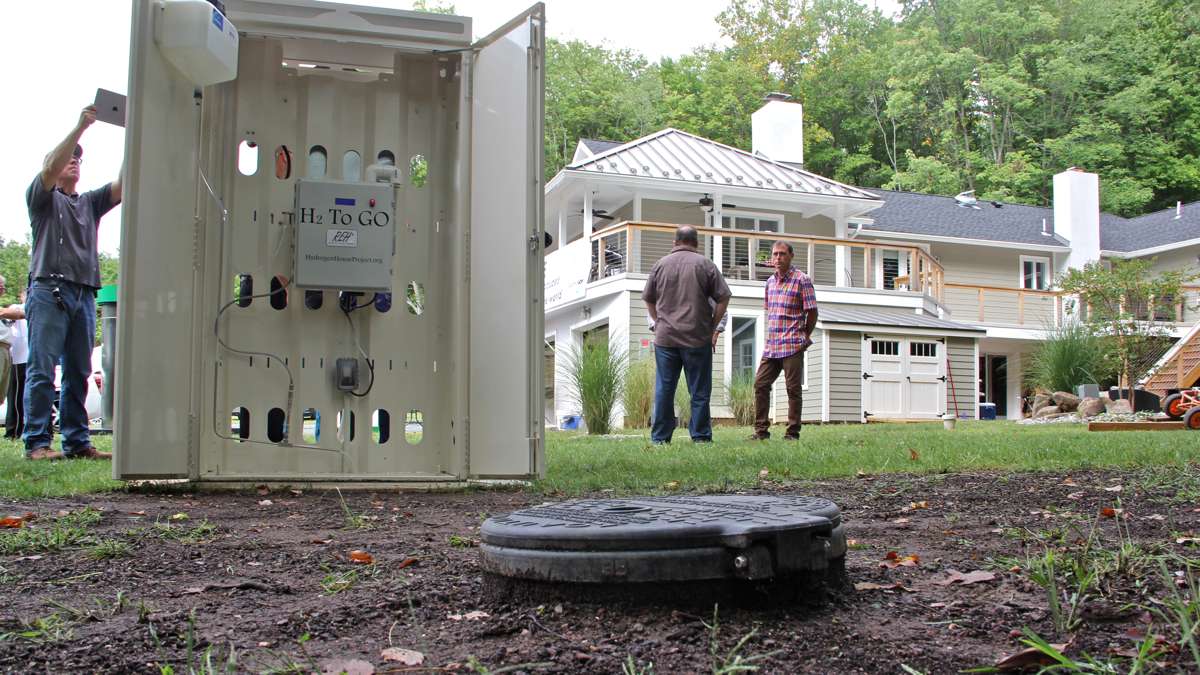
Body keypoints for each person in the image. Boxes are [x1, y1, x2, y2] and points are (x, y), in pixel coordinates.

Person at [24, 105, 121, 461]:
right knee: (42, 369)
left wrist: (138, 128)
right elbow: (50, 167)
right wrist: (81, 128)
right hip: (48, 290)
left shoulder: (89, 203)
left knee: (79, 371)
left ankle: (77, 442)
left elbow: (123, 184)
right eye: (70, 158)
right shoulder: (42, 199)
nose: (75, 161)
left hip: (83, 293)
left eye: (80, 159)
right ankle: (37, 443)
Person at [643, 225, 730, 444]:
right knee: (699, 391)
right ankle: (700, 437)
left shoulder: (660, 265)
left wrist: (658, 321)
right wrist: (711, 326)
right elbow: (723, 298)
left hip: (666, 339)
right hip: (697, 337)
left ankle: (660, 438)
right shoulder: (705, 265)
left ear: (675, 242)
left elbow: (648, 298)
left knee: (664, 388)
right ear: (696, 243)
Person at [749, 241, 818, 441]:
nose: (778, 258)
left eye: (782, 254)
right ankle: (761, 431)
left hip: (793, 343)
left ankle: (792, 432)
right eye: (775, 254)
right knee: (760, 384)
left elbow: (812, 311)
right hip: (773, 345)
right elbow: (771, 312)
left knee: (792, 389)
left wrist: (805, 334)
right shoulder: (769, 282)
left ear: (791, 256)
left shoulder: (802, 280)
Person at [4, 289, 28, 439]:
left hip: (33, 359)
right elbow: (10, 316)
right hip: (19, 360)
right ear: (21, 296)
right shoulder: (16, 308)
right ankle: (13, 431)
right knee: (16, 397)